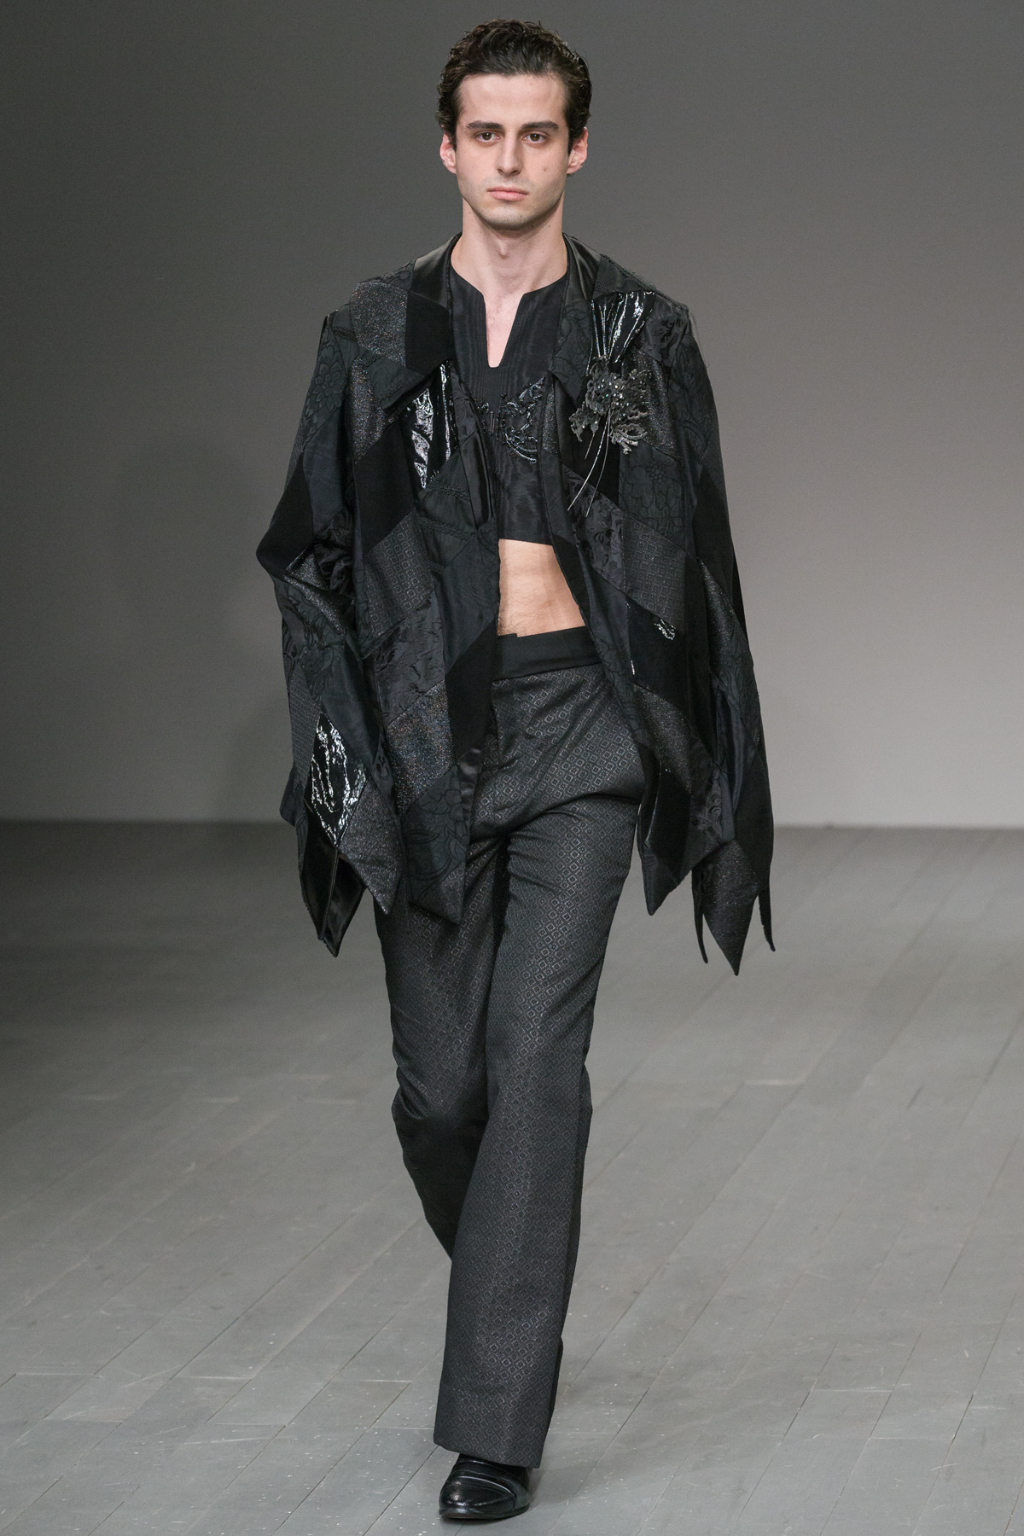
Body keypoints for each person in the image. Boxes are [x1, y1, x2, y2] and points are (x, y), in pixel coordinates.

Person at [258, 18, 772, 1521]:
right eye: (485, 132)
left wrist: (696, 738)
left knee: (538, 1063)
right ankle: (514, 1291)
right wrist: (344, 742)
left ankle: (497, 1429)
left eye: (537, 133)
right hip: (427, 742)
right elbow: (310, 551)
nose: (509, 158)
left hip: (579, 733)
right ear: (447, 146)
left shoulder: (636, 334)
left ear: (576, 148)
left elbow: (682, 541)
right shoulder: (371, 334)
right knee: (441, 1093)